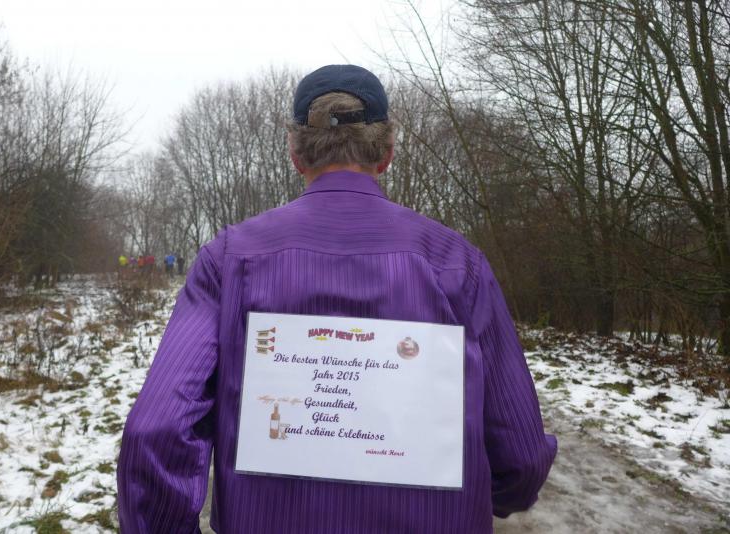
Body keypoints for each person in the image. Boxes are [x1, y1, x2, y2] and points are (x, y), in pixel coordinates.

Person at [118, 64, 556, 534]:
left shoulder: (228, 260)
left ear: (295, 154)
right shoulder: (457, 265)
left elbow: (157, 430)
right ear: (386, 152)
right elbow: (521, 456)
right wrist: (490, 496)